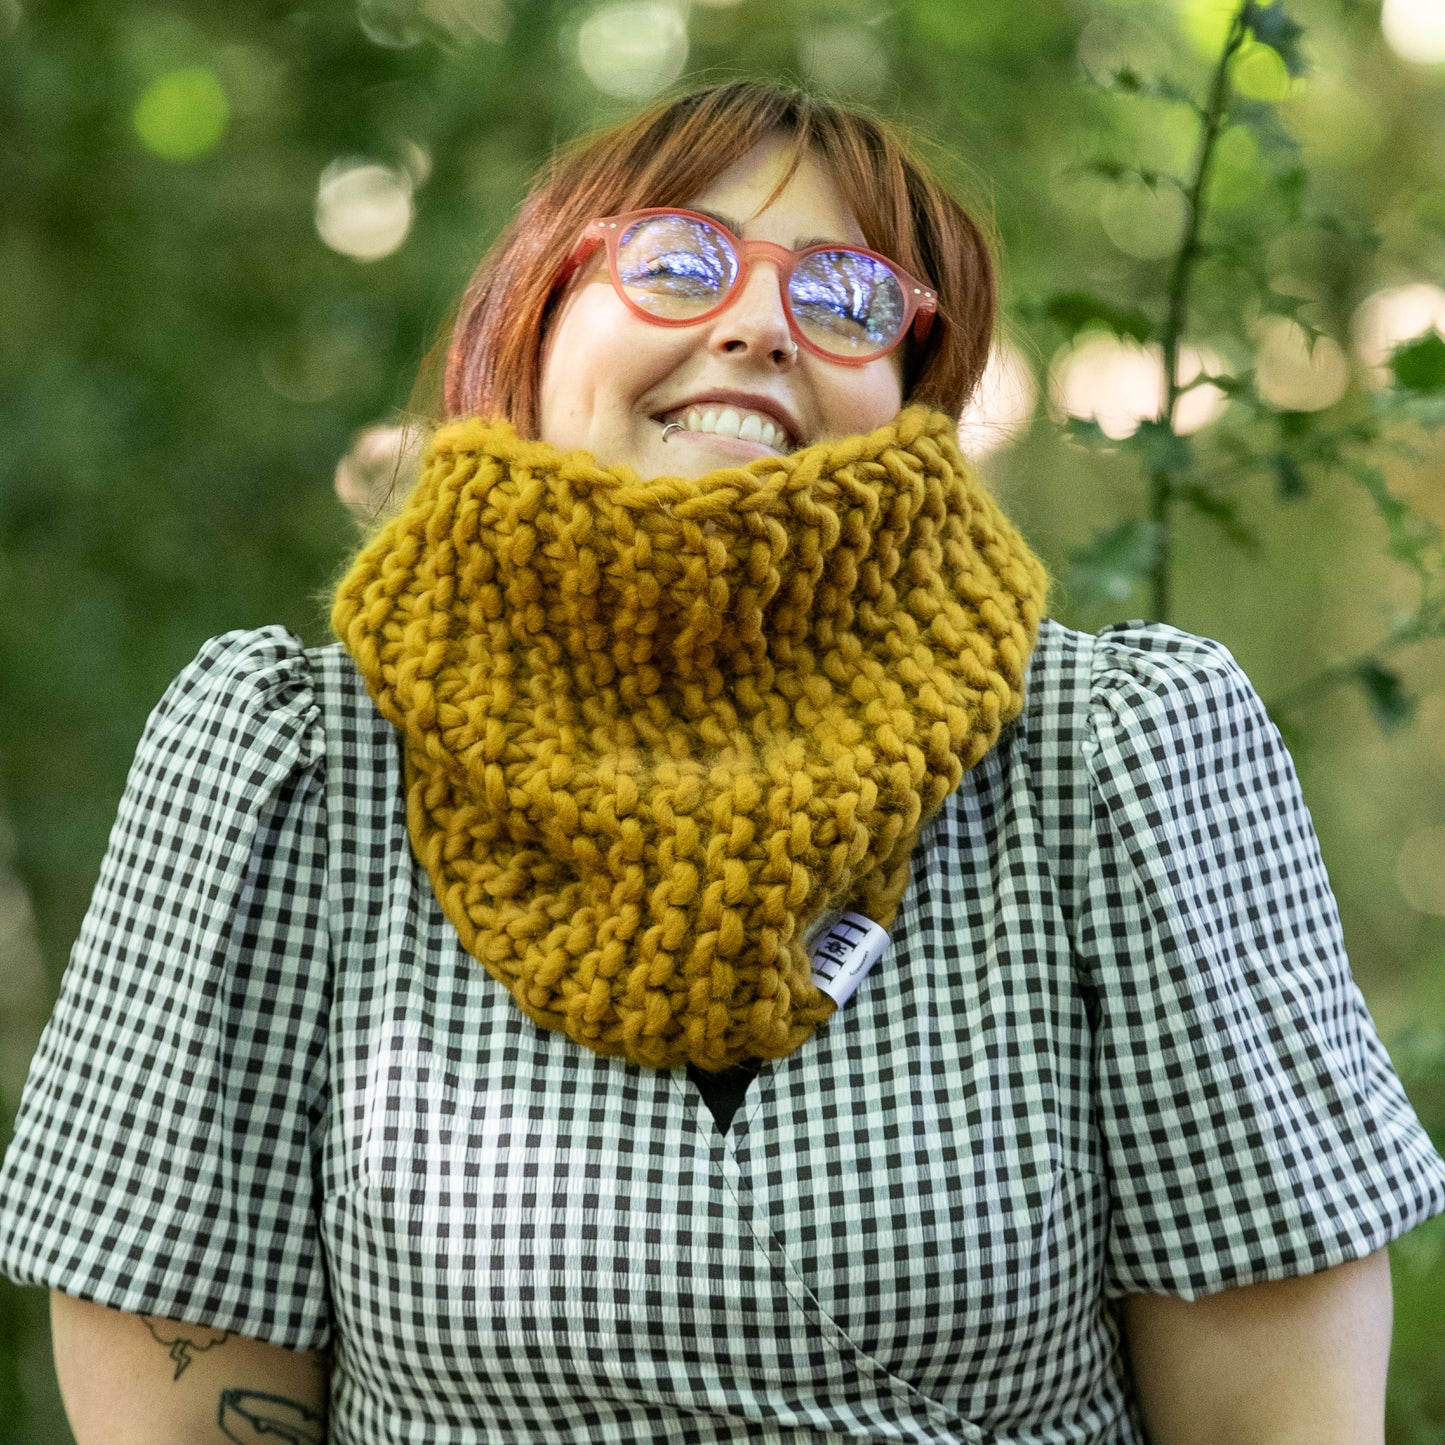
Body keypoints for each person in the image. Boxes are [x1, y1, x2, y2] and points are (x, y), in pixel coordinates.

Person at [1, 79, 1442, 1445]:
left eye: (845, 295)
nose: (760, 326)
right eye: (677, 263)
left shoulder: (1116, 752)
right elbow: (178, 1392)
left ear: (912, 388)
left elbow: (1275, 1410)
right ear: (533, 321)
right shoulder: (292, 763)